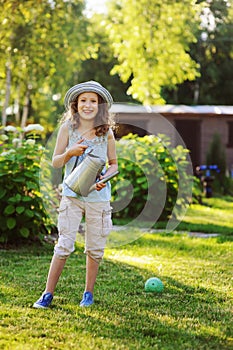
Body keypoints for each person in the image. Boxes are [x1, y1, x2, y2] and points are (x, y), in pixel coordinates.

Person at [33, 81, 118, 308]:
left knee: (95, 248)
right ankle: (47, 293)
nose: (88, 105)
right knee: (63, 245)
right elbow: (55, 162)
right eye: (83, 100)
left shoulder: (106, 132)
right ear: (76, 104)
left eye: (93, 101)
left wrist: (104, 179)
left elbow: (114, 165)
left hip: (98, 199)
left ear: (100, 106)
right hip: (71, 196)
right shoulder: (67, 129)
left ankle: (88, 293)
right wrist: (70, 152)